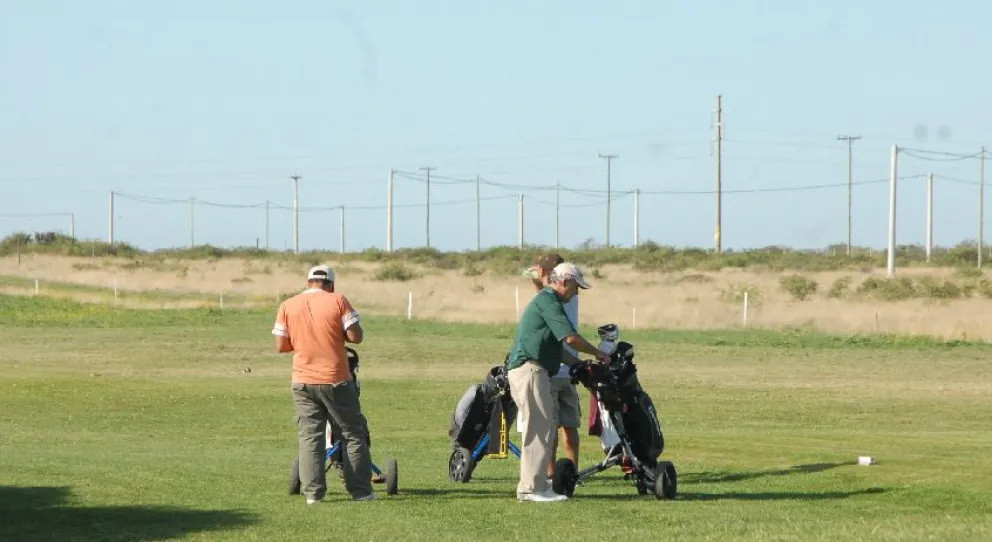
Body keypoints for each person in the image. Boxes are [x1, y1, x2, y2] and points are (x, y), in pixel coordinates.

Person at [272, 264, 376, 504]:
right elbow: (356, 337)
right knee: (351, 434)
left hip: (302, 380)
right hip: (335, 379)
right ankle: (361, 492)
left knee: (310, 437)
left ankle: (313, 494)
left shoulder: (287, 305)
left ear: (309, 282)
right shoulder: (338, 300)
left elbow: (281, 345)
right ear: (331, 284)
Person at [506, 262, 609, 502]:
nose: (576, 292)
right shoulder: (549, 301)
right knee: (539, 428)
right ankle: (531, 489)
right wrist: (597, 353)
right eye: (575, 286)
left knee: (545, 428)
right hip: (530, 370)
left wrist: (580, 365)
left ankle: (540, 485)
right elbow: (571, 339)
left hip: (536, 369)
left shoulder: (549, 302)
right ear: (564, 281)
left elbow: (557, 350)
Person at [522, 254, 582, 480]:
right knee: (566, 425)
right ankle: (565, 472)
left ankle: (555, 473)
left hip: (558, 368)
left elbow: (540, 286)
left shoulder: (558, 294)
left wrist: (535, 275)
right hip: (568, 366)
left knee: (554, 425)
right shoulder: (566, 291)